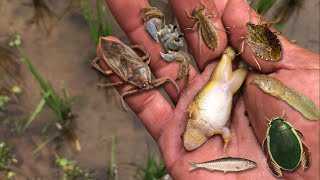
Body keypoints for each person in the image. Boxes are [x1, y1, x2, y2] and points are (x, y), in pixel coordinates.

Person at [101, 0, 319, 179]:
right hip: (227, 91)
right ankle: (242, 63)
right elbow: (225, 132)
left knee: (228, 59)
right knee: (235, 70)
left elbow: (203, 115)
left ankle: (239, 60)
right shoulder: (211, 129)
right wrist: (225, 142)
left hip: (219, 87)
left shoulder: (194, 116)